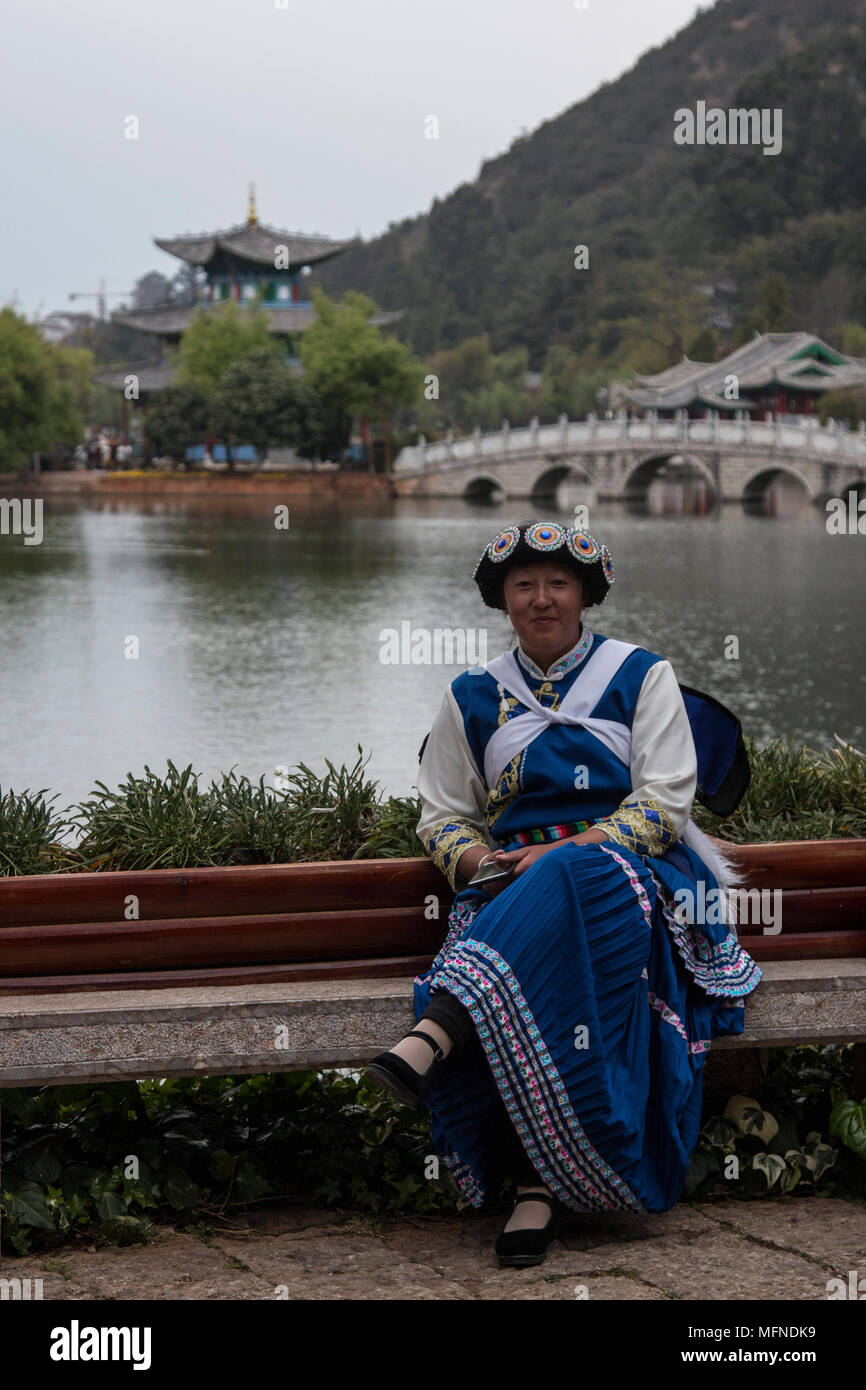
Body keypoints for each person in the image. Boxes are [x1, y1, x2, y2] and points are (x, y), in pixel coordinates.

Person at [364, 521, 762, 1268]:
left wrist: (551, 857)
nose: (541, 598)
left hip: (633, 870)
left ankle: (440, 1028)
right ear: (502, 599)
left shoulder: (641, 675)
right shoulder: (471, 696)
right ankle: (537, 1185)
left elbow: (664, 804)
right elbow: (443, 814)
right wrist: (485, 861)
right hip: (507, 881)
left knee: (576, 877)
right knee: (541, 968)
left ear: (583, 594)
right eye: (524, 585)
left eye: (557, 584)